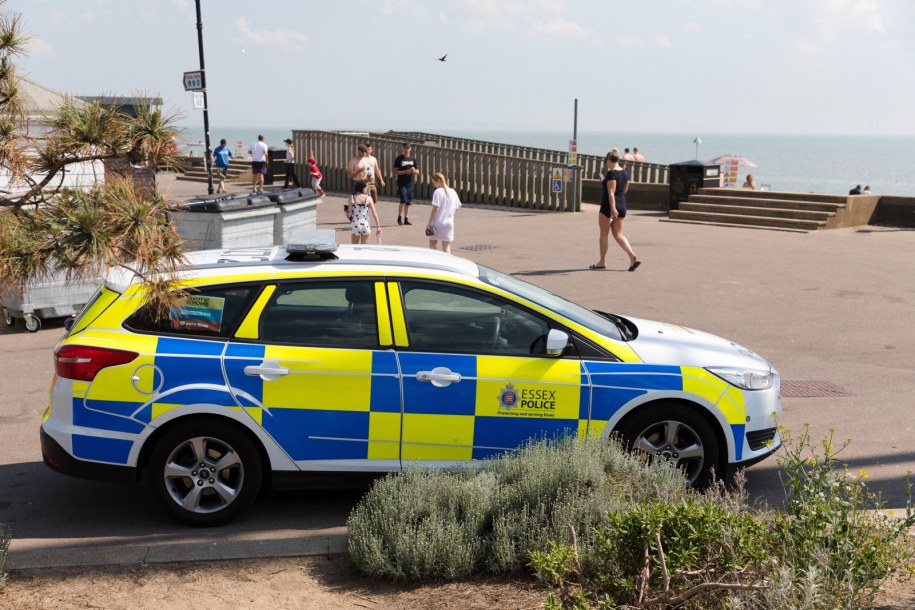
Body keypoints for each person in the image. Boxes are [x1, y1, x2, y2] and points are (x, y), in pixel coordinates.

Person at [591, 148, 640, 272]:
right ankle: (632, 256)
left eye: (605, 161)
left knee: (603, 234)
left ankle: (602, 262)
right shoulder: (625, 173)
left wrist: (613, 208)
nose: (606, 163)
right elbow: (624, 190)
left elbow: (611, 192)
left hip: (609, 206)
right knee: (618, 234)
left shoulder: (611, 173)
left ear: (609, 160)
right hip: (622, 205)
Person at [426, 171, 462, 254]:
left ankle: (435, 261)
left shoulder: (437, 192)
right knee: (446, 246)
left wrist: (429, 223)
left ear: (438, 181)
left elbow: (435, 209)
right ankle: (447, 263)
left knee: (433, 243)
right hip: (449, 223)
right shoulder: (453, 191)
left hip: (437, 223)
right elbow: (457, 208)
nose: (433, 185)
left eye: (434, 183)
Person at [345, 180, 382, 244]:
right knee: (364, 248)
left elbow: (349, 215)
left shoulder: (351, 198)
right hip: (366, 224)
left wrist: (347, 213)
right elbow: (375, 214)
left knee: (354, 247)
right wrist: (378, 227)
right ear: (362, 188)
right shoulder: (369, 198)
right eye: (366, 187)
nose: (367, 189)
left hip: (356, 224)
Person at [393, 142, 420, 225]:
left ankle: (406, 218)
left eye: (408, 148)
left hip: (409, 183)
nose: (406, 149)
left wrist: (414, 171)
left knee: (408, 202)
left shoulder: (413, 159)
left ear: (410, 149)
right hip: (401, 183)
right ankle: (399, 217)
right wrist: (405, 171)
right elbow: (395, 172)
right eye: (405, 148)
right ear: (403, 148)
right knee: (403, 200)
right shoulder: (399, 158)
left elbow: (418, 171)